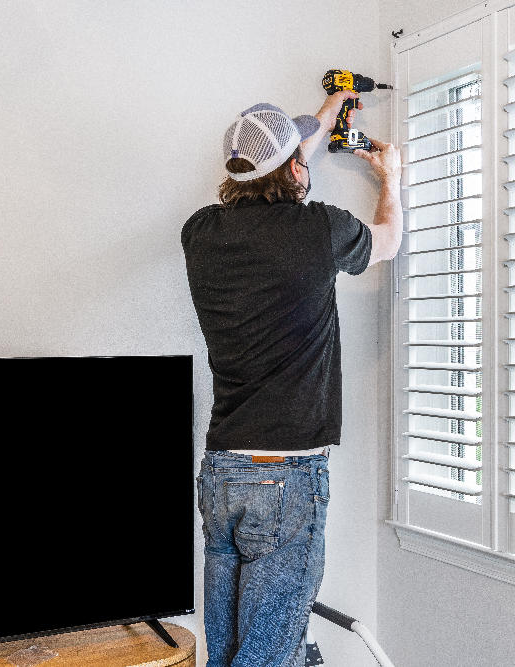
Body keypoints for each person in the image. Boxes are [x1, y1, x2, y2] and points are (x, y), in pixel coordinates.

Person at [181, 92, 402, 667]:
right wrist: (390, 178)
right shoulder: (319, 230)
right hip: (286, 477)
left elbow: (278, 159)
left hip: (222, 473)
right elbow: (390, 241)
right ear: (294, 169)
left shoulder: (200, 234)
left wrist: (324, 116)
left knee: (228, 653)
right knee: (268, 659)